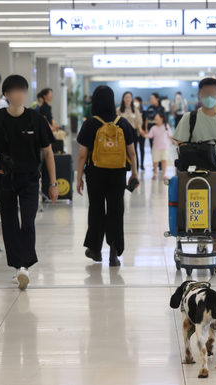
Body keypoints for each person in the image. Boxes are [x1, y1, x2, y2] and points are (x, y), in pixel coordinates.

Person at [0, 75, 58, 290]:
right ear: (6, 94)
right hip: (5, 179)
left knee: (28, 221)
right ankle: (17, 266)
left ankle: (24, 265)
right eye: (13, 91)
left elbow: (48, 152)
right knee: (10, 223)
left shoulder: (37, 119)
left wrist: (53, 183)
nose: (18, 94)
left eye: (21, 90)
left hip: (30, 179)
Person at [76, 85, 139, 267]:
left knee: (96, 209)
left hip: (95, 173)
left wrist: (79, 177)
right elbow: (132, 153)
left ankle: (95, 250)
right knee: (116, 210)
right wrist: (134, 173)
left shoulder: (90, 124)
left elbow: (82, 155)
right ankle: (114, 251)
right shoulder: (123, 123)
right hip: (118, 173)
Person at [173, 77, 216, 171]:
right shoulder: (189, 118)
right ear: (199, 95)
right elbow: (181, 143)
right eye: (205, 94)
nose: (209, 97)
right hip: (200, 170)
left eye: (213, 94)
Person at [141, 111, 175, 180]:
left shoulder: (166, 126)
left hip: (165, 147)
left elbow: (170, 135)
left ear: (161, 118)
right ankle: (155, 174)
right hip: (155, 148)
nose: (155, 119)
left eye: (156, 118)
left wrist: (172, 140)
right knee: (155, 162)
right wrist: (144, 134)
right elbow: (150, 136)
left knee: (164, 161)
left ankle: (164, 174)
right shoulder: (153, 128)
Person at [117, 92, 143, 170]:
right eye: (126, 97)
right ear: (123, 98)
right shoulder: (119, 110)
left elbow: (139, 122)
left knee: (133, 151)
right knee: (122, 151)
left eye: (129, 97)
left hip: (133, 132)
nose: (128, 99)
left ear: (132, 99)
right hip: (121, 133)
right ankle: (122, 168)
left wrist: (141, 131)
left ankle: (135, 170)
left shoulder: (135, 110)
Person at [134, 96, 147, 170]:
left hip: (142, 132)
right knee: (134, 149)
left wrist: (145, 130)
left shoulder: (144, 112)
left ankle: (142, 165)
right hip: (135, 132)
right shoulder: (133, 111)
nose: (135, 102)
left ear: (140, 103)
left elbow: (145, 122)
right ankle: (136, 165)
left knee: (142, 148)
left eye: (136, 101)